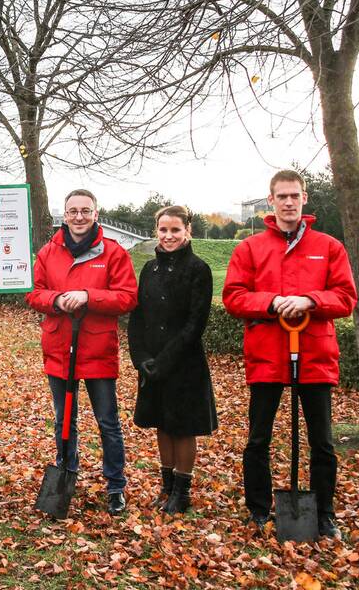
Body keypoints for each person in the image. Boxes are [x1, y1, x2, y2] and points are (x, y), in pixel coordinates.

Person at [223, 170, 357, 539]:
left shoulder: (329, 247)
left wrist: (310, 300)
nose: (288, 202)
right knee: (258, 438)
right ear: (271, 200)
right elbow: (234, 297)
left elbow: (345, 297)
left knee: (322, 442)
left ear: (304, 198)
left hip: (314, 355)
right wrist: (273, 302)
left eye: (294, 196)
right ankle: (258, 508)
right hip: (267, 355)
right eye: (281, 196)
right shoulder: (250, 249)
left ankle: (325, 512)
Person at [26, 189, 138, 515]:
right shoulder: (49, 252)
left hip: (97, 348)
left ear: (96, 214)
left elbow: (127, 297)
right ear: (64, 215)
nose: (79, 217)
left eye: (85, 211)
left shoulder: (113, 252)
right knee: (64, 419)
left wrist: (88, 296)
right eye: (73, 211)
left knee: (107, 421)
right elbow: (34, 294)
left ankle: (115, 485)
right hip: (60, 346)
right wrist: (57, 300)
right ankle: (66, 474)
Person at [127, 205, 217, 514]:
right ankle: (166, 487)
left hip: (184, 362)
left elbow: (195, 324)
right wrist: (140, 358)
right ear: (157, 231)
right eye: (163, 230)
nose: (168, 236)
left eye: (175, 230)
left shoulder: (198, 270)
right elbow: (137, 317)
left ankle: (183, 491)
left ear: (187, 231)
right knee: (161, 425)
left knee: (182, 427)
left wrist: (164, 360)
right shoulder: (149, 268)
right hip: (152, 363)